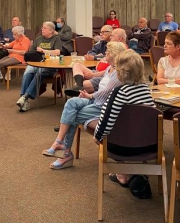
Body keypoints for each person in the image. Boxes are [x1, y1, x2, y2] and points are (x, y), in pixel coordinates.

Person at [41, 41, 127, 170]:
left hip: (103, 106)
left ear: (115, 54)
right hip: (95, 101)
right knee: (71, 103)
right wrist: (89, 80)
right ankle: (60, 144)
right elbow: (100, 80)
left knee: (72, 115)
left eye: (108, 52)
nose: (105, 53)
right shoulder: (110, 68)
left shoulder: (119, 73)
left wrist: (89, 95)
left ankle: (65, 152)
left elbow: (106, 93)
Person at [93, 50, 156, 186]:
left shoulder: (120, 92)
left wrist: (97, 136)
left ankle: (121, 171)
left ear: (120, 72)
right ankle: (132, 171)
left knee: (111, 132)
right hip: (149, 146)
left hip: (123, 148)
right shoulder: (145, 89)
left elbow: (106, 119)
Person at [66, 27, 128, 96]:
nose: (110, 37)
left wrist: (93, 75)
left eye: (112, 36)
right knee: (77, 65)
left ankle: (80, 92)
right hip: (97, 72)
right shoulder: (105, 44)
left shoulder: (122, 51)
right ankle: (79, 86)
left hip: (103, 76)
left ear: (120, 39)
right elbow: (91, 52)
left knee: (81, 85)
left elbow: (112, 71)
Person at [17, 21, 63, 112]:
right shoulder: (38, 39)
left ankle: (25, 97)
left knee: (39, 73)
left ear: (51, 30)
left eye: (45, 28)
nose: (42, 29)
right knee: (27, 73)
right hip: (37, 63)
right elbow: (31, 52)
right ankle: (24, 99)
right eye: (42, 27)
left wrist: (44, 51)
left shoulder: (56, 39)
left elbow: (58, 52)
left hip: (50, 65)